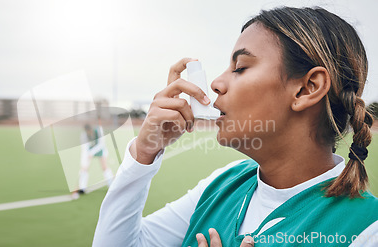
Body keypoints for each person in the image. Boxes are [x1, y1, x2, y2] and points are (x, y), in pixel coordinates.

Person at [93, 6, 377, 247]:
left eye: (240, 67)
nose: (216, 83)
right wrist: (144, 151)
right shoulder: (222, 186)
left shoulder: (366, 230)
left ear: (307, 89)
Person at [77, 124, 113, 194]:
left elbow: (101, 144)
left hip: (100, 149)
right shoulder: (84, 135)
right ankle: (82, 188)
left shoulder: (99, 131)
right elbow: (84, 149)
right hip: (89, 150)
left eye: (90, 131)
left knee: (104, 167)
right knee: (84, 168)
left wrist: (92, 153)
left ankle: (112, 186)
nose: (89, 133)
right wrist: (84, 162)